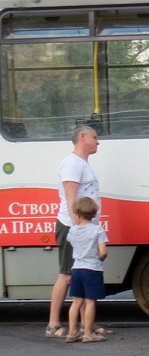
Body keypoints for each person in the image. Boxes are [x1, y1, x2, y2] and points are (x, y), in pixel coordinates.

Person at [45, 125, 109, 338]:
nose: (97, 141)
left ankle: (85, 325)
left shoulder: (80, 163)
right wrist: (78, 229)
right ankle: (53, 324)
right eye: (94, 137)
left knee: (79, 275)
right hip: (73, 227)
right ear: (82, 137)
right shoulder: (72, 163)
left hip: (81, 228)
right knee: (66, 275)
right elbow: (71, 197)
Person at [63, 197, 109, 343]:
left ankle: (71, 332)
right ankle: (87, 333)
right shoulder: (97, 230)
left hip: (77, 268)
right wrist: (100, 258)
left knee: (76, 302)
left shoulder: (72, 231)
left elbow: (72, 244)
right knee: (90, 302)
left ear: (77, 213)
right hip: (92, 269)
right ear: (94, 213)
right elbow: (103, 252)